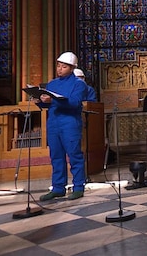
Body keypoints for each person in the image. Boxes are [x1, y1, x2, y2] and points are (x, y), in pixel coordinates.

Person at [37, 52, 87, 201]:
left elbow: (74, 103)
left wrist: (52, 101)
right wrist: (39, 101)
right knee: (56, 157)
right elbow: (47, 104)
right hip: (53, 123)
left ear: (72, 68)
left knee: (74, 156)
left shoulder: (79, 84)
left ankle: (78, 187)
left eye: (63, 66)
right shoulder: (52, 84)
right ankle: (58, 187)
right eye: (58, 66)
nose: (59, 69)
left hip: (70, 123)